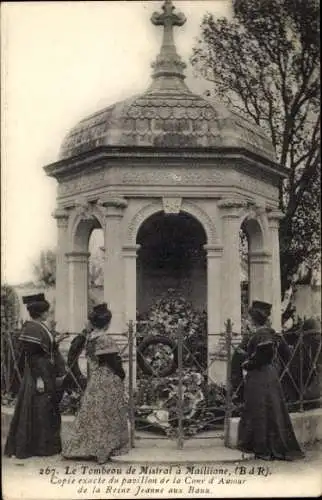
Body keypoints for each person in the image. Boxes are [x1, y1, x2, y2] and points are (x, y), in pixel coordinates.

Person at [237, 300, 305, 461]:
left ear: (254, 319)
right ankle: (265, 446)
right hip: (270, 375)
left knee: (260, 410)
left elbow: (261, 357)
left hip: (259, 376)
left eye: (249, 318)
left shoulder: (261, 335)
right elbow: (287, 355)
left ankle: (263, 448)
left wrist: (246, 363)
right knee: (272, 409)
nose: (247, 321)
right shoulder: (273, 333)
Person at [62, 303, 129, 463]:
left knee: (93, 415)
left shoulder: (90, 337)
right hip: (108, 380)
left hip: (95, 379)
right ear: (107, 323)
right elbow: (113, 362)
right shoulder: (105, 339)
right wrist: (121, 374)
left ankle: (87, 448)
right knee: (107, 416)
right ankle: (102, 452)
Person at [4, 293, 66, 458]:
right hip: (37, 374)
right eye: (46, 311)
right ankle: (37, 448)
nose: (48, 314)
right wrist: (38, 379)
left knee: (45, 408)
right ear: (41, 313)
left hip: (46, 371)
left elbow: (44, 348)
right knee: (38, 408)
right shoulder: (31, 327)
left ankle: (46, 447)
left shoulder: (40, 326)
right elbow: (32, 356)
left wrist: (56, 340)